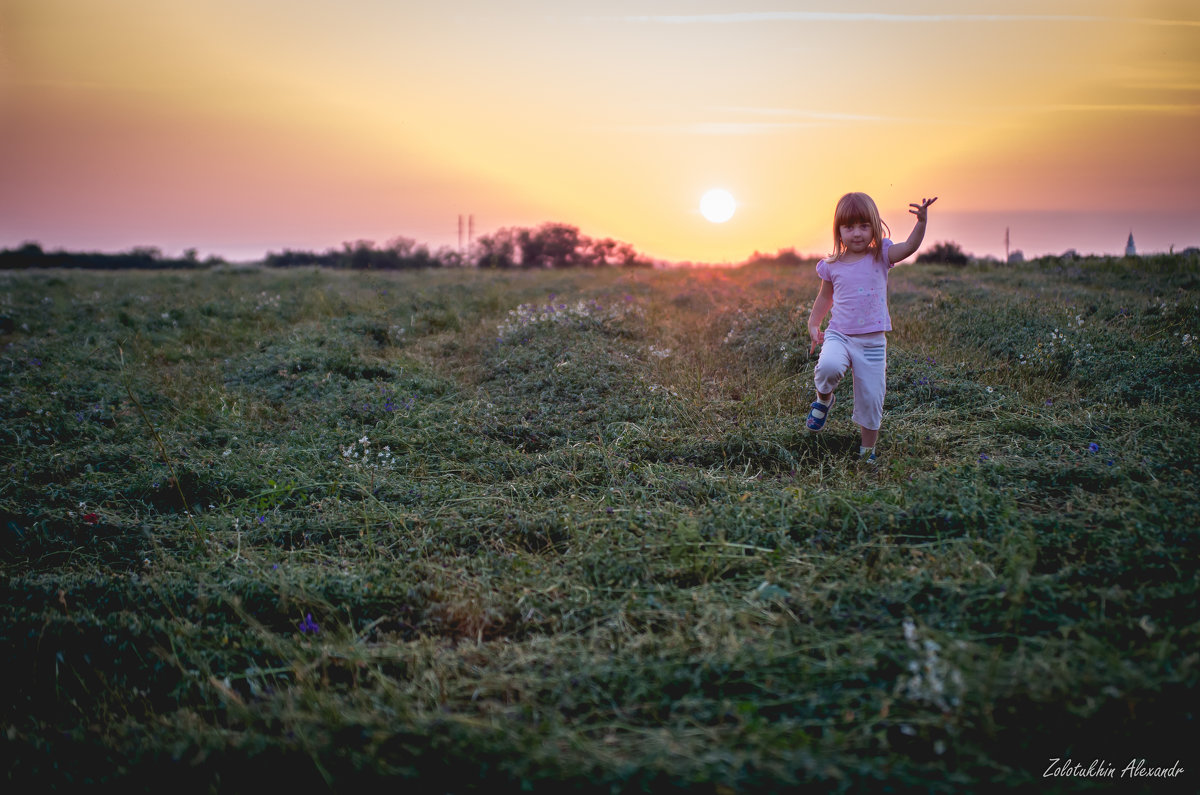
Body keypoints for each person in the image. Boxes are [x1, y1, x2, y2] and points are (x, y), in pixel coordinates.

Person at [804, 192, 937, 463]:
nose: (857, 233)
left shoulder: (882, 254)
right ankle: (824, 399)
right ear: (838, 229)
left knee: (871, 399)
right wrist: (814, 323)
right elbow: (824, 298)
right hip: (839, 335)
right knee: (827, 368)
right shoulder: (832, 265)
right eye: (849, 226)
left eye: (864, 226)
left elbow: (910, 247)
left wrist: (921, 223)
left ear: (874, 226)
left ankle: (867, 452)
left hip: (873, 342)